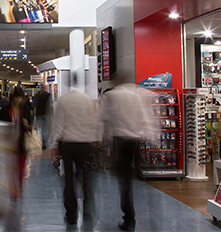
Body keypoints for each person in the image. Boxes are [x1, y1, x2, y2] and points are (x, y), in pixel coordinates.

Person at [99, 71, 157, 231]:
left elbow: (102, 117)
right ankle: (131, 214)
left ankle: (129, 217)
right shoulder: (135, 95)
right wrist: (153, 137)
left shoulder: (112, 96)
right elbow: (145, 117)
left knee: (123, 179)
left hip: (119, 140)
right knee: (127, 177)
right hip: (133, 140)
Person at [49, 82, 100, 227]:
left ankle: (71, 214)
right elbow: (94, 123)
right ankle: (88, 213)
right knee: (86, 180)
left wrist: (53, 145)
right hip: (85, 144)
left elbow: (58, 124)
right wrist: (94, 141)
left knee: (69, 181)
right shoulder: (88, 101)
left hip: (69, 145)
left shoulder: (64, 100)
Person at [0, 87, 32, 198]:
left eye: (20, 98)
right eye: (16, 98)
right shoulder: (5, 110)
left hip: (22, 141)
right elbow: (1, 124)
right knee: (11, 168)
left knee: (21, 168)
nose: (18, 100)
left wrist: (27, 125)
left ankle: (20, 186)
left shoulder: (25, 110)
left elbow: (30, 127)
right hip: (9, 142)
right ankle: (13, 191)